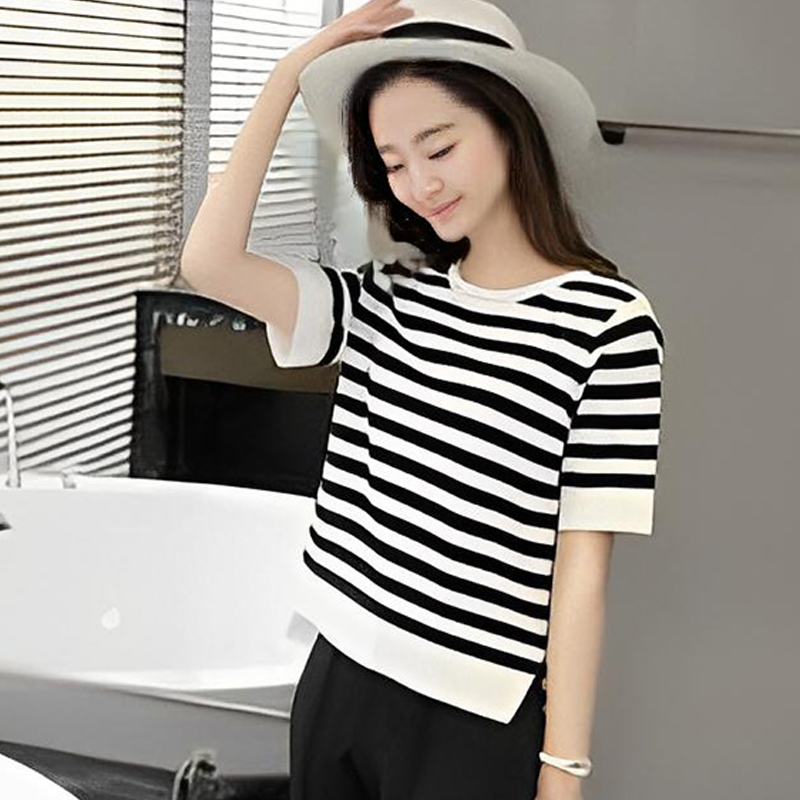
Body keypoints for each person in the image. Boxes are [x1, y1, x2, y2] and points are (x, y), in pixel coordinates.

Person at [180, 2, 667, 799]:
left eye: (439, 147)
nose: (420, 185)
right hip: (339, 675)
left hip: (475, 716)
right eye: (394, 164)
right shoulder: (385, 297)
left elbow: (581, 569)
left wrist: (563, 770)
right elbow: (210, 263)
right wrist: (283, 80)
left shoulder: (608, 325)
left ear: (510, 125)